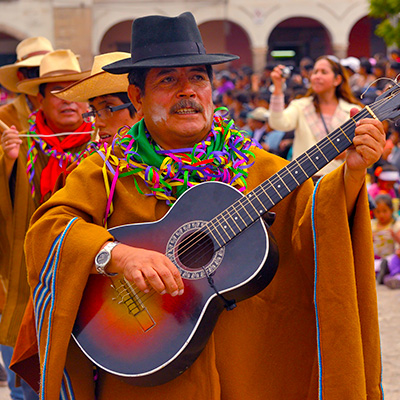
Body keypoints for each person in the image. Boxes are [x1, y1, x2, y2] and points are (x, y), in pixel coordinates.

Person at [12, 12, 385, 400]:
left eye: (198, 78)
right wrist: (116, 255)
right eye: (168, 80)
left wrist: (349, 177)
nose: (187, 91)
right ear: (137, 97)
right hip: (145, 371)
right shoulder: (106, 172)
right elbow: (46, 232)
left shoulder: (263, 168)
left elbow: (319, 231)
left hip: (250, 371)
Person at [0, 49, 91, 399]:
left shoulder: (106, 142)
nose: (67, 101)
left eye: (74, 92)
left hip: (87, 283)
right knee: (28, 383)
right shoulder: (21, 142)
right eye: (57, 91)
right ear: (38, 98)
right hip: (29, 284)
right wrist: (8, 166)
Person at [269, 55, 363, 178]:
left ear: (337, 79)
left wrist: (348, 152)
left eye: (324, 72)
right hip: (303, 181)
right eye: (315, 72)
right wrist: (277, 88)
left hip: (338, 180)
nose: (317, 76)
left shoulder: (353, 111)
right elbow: (278, 123)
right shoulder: (300, 106)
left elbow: (362, 147)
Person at [53, 51, 141, 147]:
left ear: (138, 105)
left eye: (108, 108)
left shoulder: (159, 156)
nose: (98, 123)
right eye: (94, 111)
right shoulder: (93, 161)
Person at [0, 37, 54, 132]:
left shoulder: (74, 111)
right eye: (37, 71)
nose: (45, 78)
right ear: (21, 77)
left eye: (50, 70)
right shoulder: (4, 118)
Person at [371, 194, 400, 281]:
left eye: (384, 211)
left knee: (393, 261)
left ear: (391, 210)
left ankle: (389, 275)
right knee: (373, 265)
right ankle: (385, 276)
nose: (381, 215)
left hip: (390, 258)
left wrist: (395, 236)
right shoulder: (372, 224)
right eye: (378, 212)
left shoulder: (395, 225)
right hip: (375, 259)